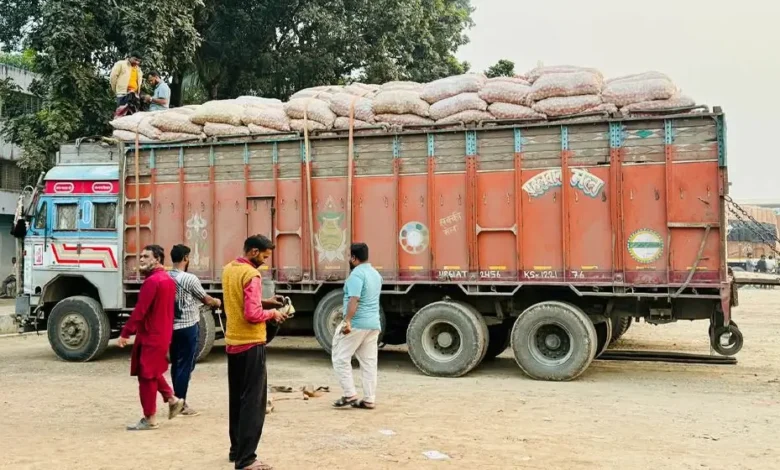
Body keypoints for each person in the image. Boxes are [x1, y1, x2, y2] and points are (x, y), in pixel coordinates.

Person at [222, 235, 288, 470]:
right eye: (263, 255)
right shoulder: (252, 275)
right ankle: (247, 459)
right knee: (253, 403)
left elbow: (240, 302)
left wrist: (266, 302)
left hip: (233, 344)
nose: (265, 261)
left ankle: (236, 450)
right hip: (251, 344)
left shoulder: (229, 269)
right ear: (252, 251)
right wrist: (273, 314)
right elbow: (251, 314)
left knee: (237, 401)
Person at [118, 245, 185, 430]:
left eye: (146, 256)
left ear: (157, 259)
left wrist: (125, 333)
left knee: (146, 375)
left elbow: (140, 310)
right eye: (141, 255)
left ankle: (150, 418)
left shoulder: (153, 281)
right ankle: (172, 399)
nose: (141, 259)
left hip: (151, 334)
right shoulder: (166, 279)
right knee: (149, 370)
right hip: (161, 333)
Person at [169, 244, 222, 417]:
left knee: (176, 364)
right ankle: (180, 403)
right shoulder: (189, 278)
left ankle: (175, 399)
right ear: (185, 258)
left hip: (171, 327)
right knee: (186, 365)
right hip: (188, 326)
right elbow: (205, 299)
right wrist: (217, 302)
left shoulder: (166, 276)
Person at [331, 242, 383, 410]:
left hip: (357, 323)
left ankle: (349, 394)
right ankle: (369, 399)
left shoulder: (356, 275)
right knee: (369, 362)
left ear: (353, 258)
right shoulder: (376, 274)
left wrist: (347, 320)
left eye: (349, 256)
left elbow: (355, 299)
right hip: (373, 324)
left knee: (340, 357)